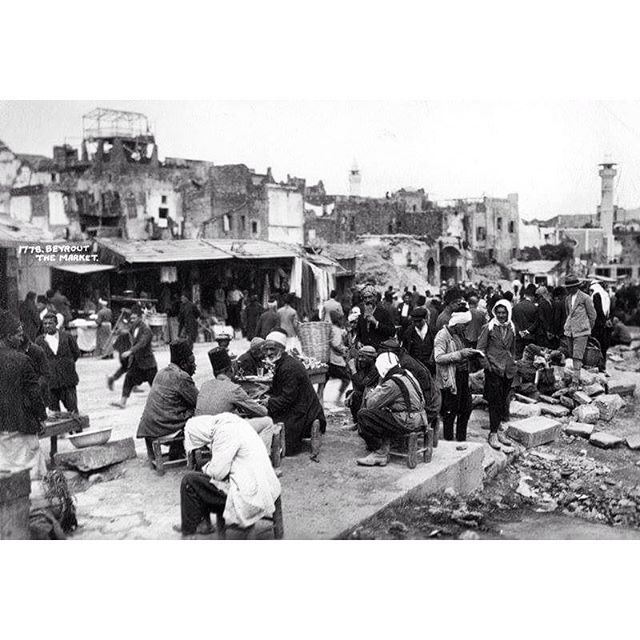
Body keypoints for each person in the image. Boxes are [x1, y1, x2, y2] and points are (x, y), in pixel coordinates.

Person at [177, 413, 281, 538]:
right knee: (201, 477)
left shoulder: (224, 433)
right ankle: (198, 522)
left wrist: (206, 468)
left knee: (189, 481)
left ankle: (189, 532)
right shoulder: (236, 423)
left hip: (249, 495)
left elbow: (217, 473)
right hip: (267, 485)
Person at [355, 352, 428, 467]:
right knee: (383, 413)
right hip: (420, 417)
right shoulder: (407, 374)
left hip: (408, 421)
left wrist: (377, 388)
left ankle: (380, 453)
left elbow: (370, 404)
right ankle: (387, 446)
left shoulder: (392, 384)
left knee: (364, 415)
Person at [0, 311, 47, 480]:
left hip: (3, 427)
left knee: (5, 473)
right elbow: (34, 394)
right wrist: (41, 417)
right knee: (31, 472)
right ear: (7, 336)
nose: (22, 339)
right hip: (22, 425)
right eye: (18, 335)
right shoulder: (22, 360)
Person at [264, 330, 326, 456]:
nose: (269, 352)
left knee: (282, 444)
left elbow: (288, 398)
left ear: (281, 349)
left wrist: (268, 401)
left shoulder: (288, 367)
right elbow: (280, 390)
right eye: (267, 349)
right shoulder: (283, 363)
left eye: (272, 349)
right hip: (297, 405)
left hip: (303, 411)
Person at [196, 348, 273, 447]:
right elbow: (262, 412)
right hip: (221, 434)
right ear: (230, 370)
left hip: (202, 432)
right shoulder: (233, 388)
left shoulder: (204, 385)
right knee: (267, 422)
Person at [136, 339, 198, 456]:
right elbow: (199, 402)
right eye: (192, 363)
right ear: (184, 364)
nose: (195, 366)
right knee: (198, 415)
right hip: (162, 428)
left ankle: (176, 450)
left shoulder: (161, 373)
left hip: (148, 427)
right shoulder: (181, 376)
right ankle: (179, 450)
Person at [433, 305, 477, 442]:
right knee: (450, 411)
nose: (466, 328)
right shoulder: (442, 336)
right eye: (464, 325)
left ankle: (461, 438)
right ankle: (448, 440)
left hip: (462, 375)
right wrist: (460, 354)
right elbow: (438, 358)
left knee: (466, 408)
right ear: (457, 324)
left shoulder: (458, 334)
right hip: (451, 377)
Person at [477, 300, 516, 450]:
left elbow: (513, 348)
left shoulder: (511, 327)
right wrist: (488, 366)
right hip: (494, 370)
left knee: (502, 401)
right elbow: (480, 350)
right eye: (498, 312)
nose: (501, 315)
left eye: (503, 313)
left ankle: (499, 431)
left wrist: (513, 361)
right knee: (494, 402)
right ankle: (492, 434)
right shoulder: (489, 328)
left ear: (508, 313)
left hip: (507, 370)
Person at [111, 305, 158, 409]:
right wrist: (120, 332)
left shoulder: (146, 330)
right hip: (137, 362)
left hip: (148, 363)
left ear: (140, 318)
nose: (132, 320)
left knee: (155, 386)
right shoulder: (133, 327)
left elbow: (142, 343)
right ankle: (122, 402)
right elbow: (127, 332)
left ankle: (163, 404)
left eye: (134, 318)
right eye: (131, 318)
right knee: (128, 379)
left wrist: (130, 351)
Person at [36, 312, 80, 414]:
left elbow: (76, 353)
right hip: (51, 383)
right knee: (54, 413)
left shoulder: (67, 337)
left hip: (68, 380)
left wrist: (66, 364)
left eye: (50, 323)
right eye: (45, 323)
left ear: (56, 324)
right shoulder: (39, 341)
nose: (47, 326)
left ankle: (77, 429)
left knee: (73, 409)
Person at [563, 275, 596, 388]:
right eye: (568, 287)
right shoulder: (567, 299)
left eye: (571, 287)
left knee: (577, 355)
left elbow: (592, 315)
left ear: (576, 286)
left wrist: (587, 328)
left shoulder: (585, 298)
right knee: (572, 354)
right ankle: (575, 376)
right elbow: (569, 314)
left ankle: (575, 381)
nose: (569, 289)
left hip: (581, 331)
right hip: (570, 331)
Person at [345, 345, 378, 426]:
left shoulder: (375, 369)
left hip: (374, 395)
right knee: (350, 393)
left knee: (356, 395)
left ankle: (360, 423)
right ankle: (357, 422)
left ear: (371, 358)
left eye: (363, 357)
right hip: (366, 391)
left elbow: (361, 386)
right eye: (359, 356)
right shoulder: (364, 365)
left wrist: (353, 369)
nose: (360, 359)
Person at [356, 285, 396, 349]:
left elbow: (392, 332)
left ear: (375, 298)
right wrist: (358, 342)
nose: (368, 300)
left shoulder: (383, 313)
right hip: (366, 352)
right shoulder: (361, 316)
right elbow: (358, 334)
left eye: (370, 297)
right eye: (365, 298)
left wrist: (376, 323)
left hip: (380, 350)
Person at [328, 310, 351, 404]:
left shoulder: (331, 328)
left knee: (324, 380)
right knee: (346, 379)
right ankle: (338, 398)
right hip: (335, 360)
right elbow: (336, 344)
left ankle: (320, 397)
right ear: (338, 320)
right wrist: (344, 350)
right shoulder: (336, 330)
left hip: (329, 358)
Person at [401, 307, 434, 372]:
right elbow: (405, 350)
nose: (417, 324)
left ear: (425, 319)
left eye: (419, 321)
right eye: (415, 321)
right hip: (415, 368)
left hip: (431, 368)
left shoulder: (433, 331)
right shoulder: (408, 332)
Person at [512, 284, 540, 358]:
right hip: (530, 337)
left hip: (518, 337)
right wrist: (527, 331)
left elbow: (513, 322)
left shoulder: (515, 307)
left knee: (518, 357)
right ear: (532, 296)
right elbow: (536, 323)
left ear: (525, 295)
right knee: (530, 357)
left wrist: (519, 331)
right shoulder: (534, 308)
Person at [107, 314, 132, 392]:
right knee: (133, 369)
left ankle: (112, 378)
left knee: (124, 368)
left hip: (122, 355)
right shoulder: (128, 333)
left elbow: (115, 346)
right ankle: (133, 386)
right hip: (127, 354)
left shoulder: (121, 333)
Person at [590, 280, 612, 371]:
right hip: (605, 325)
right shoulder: (605, 294)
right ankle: (603, 366)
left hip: (598, 326)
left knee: (597, 346)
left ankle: (599, 366)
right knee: (604, 347)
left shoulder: (596, 295)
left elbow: (598, 311)